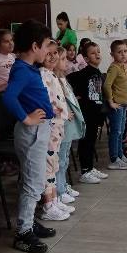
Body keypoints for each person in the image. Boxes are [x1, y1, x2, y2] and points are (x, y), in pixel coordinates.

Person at [3, 20, 56, 253]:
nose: (47, 52)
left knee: (33, 180)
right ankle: (23, 233)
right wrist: (26, 119)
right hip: (32, 132)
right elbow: (9, 97)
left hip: (38, 131)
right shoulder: (23, 70)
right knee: (33, 183)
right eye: (45, 47)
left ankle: (29, 221)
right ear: (35, 47)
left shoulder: (28, 68)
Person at [38, 42, 70, 221]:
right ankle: (48, 205)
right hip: (50, 125)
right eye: (48, 53)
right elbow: (46, 99)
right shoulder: (42, 74)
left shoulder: (52, 74)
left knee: (54, 163)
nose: (52, 57)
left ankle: (55, 199)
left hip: (58, 125)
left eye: (55, 53)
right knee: (49, 165)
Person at [68, 42, 108, 184]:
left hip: (96, 113)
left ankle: (90, 168)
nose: (97, 54)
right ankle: (85, 171)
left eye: (98, 51)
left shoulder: (97, 72)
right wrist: (75, 96)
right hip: (87, 114)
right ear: (85, 58)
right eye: (93, 53)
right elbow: (68, 79)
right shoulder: (84, 73)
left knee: (92, 141)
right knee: (86, 142)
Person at [55, 46, 84, 206]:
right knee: (59, 160)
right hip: (62, 124)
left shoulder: (63, 79)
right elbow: (58, 102)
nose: (66, 62)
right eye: (63, 59)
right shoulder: (54, 80)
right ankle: (59, 190)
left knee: (65, 158)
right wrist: (66, 111)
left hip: (68, 124)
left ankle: (63, 186)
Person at [103, 40, 127, 170]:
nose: (123, 54)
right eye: (119, 52)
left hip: (124, 105)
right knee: (116, 132)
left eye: (125, 51)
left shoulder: (123, 66)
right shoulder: (114, 67)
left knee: (121, 132)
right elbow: (107, 85)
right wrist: (111, 101)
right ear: (112, 54)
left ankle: (120, 155)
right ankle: (114, 159)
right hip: (117, 106)